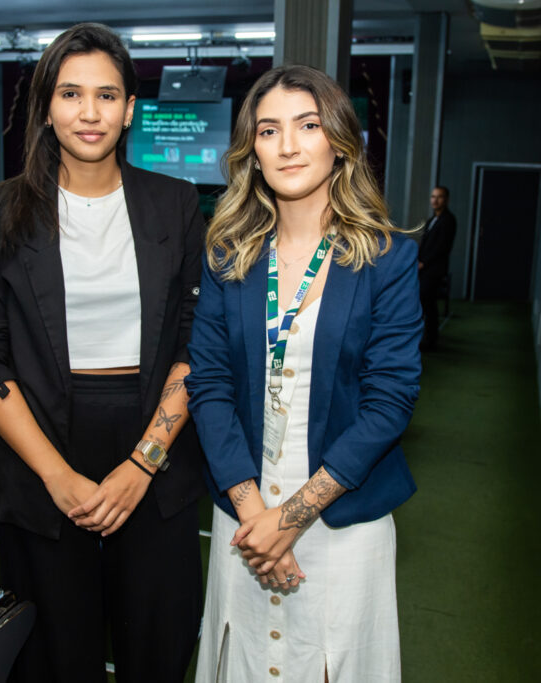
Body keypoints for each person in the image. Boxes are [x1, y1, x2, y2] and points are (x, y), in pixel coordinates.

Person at [0, 23, 205, 683]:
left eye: (107, 95)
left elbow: (196, 343)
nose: (89, 112)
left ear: (129, 109)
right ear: (45, 106)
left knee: (158, 647)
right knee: (55, 659)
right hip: (42, 448)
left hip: (155, 439)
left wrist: (143, 463)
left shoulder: (175, 204)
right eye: (71, 93)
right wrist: (57, 476)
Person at [185, 65, 422, 682]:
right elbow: (208, 385)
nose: (288, 145)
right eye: (269, 130)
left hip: (342, 518)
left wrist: (289, 520)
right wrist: (253, 514)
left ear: (339, 141)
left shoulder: (388, 259)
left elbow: (389, 403)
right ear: (252, 152)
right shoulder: (227, 256)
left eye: (307, 125)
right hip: (244, 513)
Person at [417, 185, 457, 350]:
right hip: (424, 269)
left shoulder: (448, 220)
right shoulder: (432, 219)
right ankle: (427, 338)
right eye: (433, 196)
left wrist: (424, 262)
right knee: (425, 303)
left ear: (446, 200)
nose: (435, 200)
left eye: (439, 197)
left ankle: (430, 340)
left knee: (429, 304)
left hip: (434, 270)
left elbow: (441, 247)